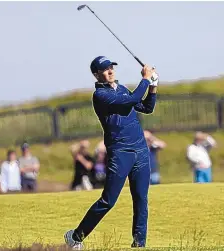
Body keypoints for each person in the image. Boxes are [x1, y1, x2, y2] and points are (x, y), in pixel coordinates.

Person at [64, 56, 158, 249]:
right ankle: (76, 237)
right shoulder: (100, 95)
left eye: (111, 67)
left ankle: (139, 244)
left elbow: (147, 107)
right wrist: (146, 79)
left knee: (141, 198)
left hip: (140, 150)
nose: (110, 71)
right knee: (108, 200)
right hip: (120, 152)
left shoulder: (122, 89)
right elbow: (130, 101)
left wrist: (153, 87)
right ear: (96, 74)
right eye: (105, 69)